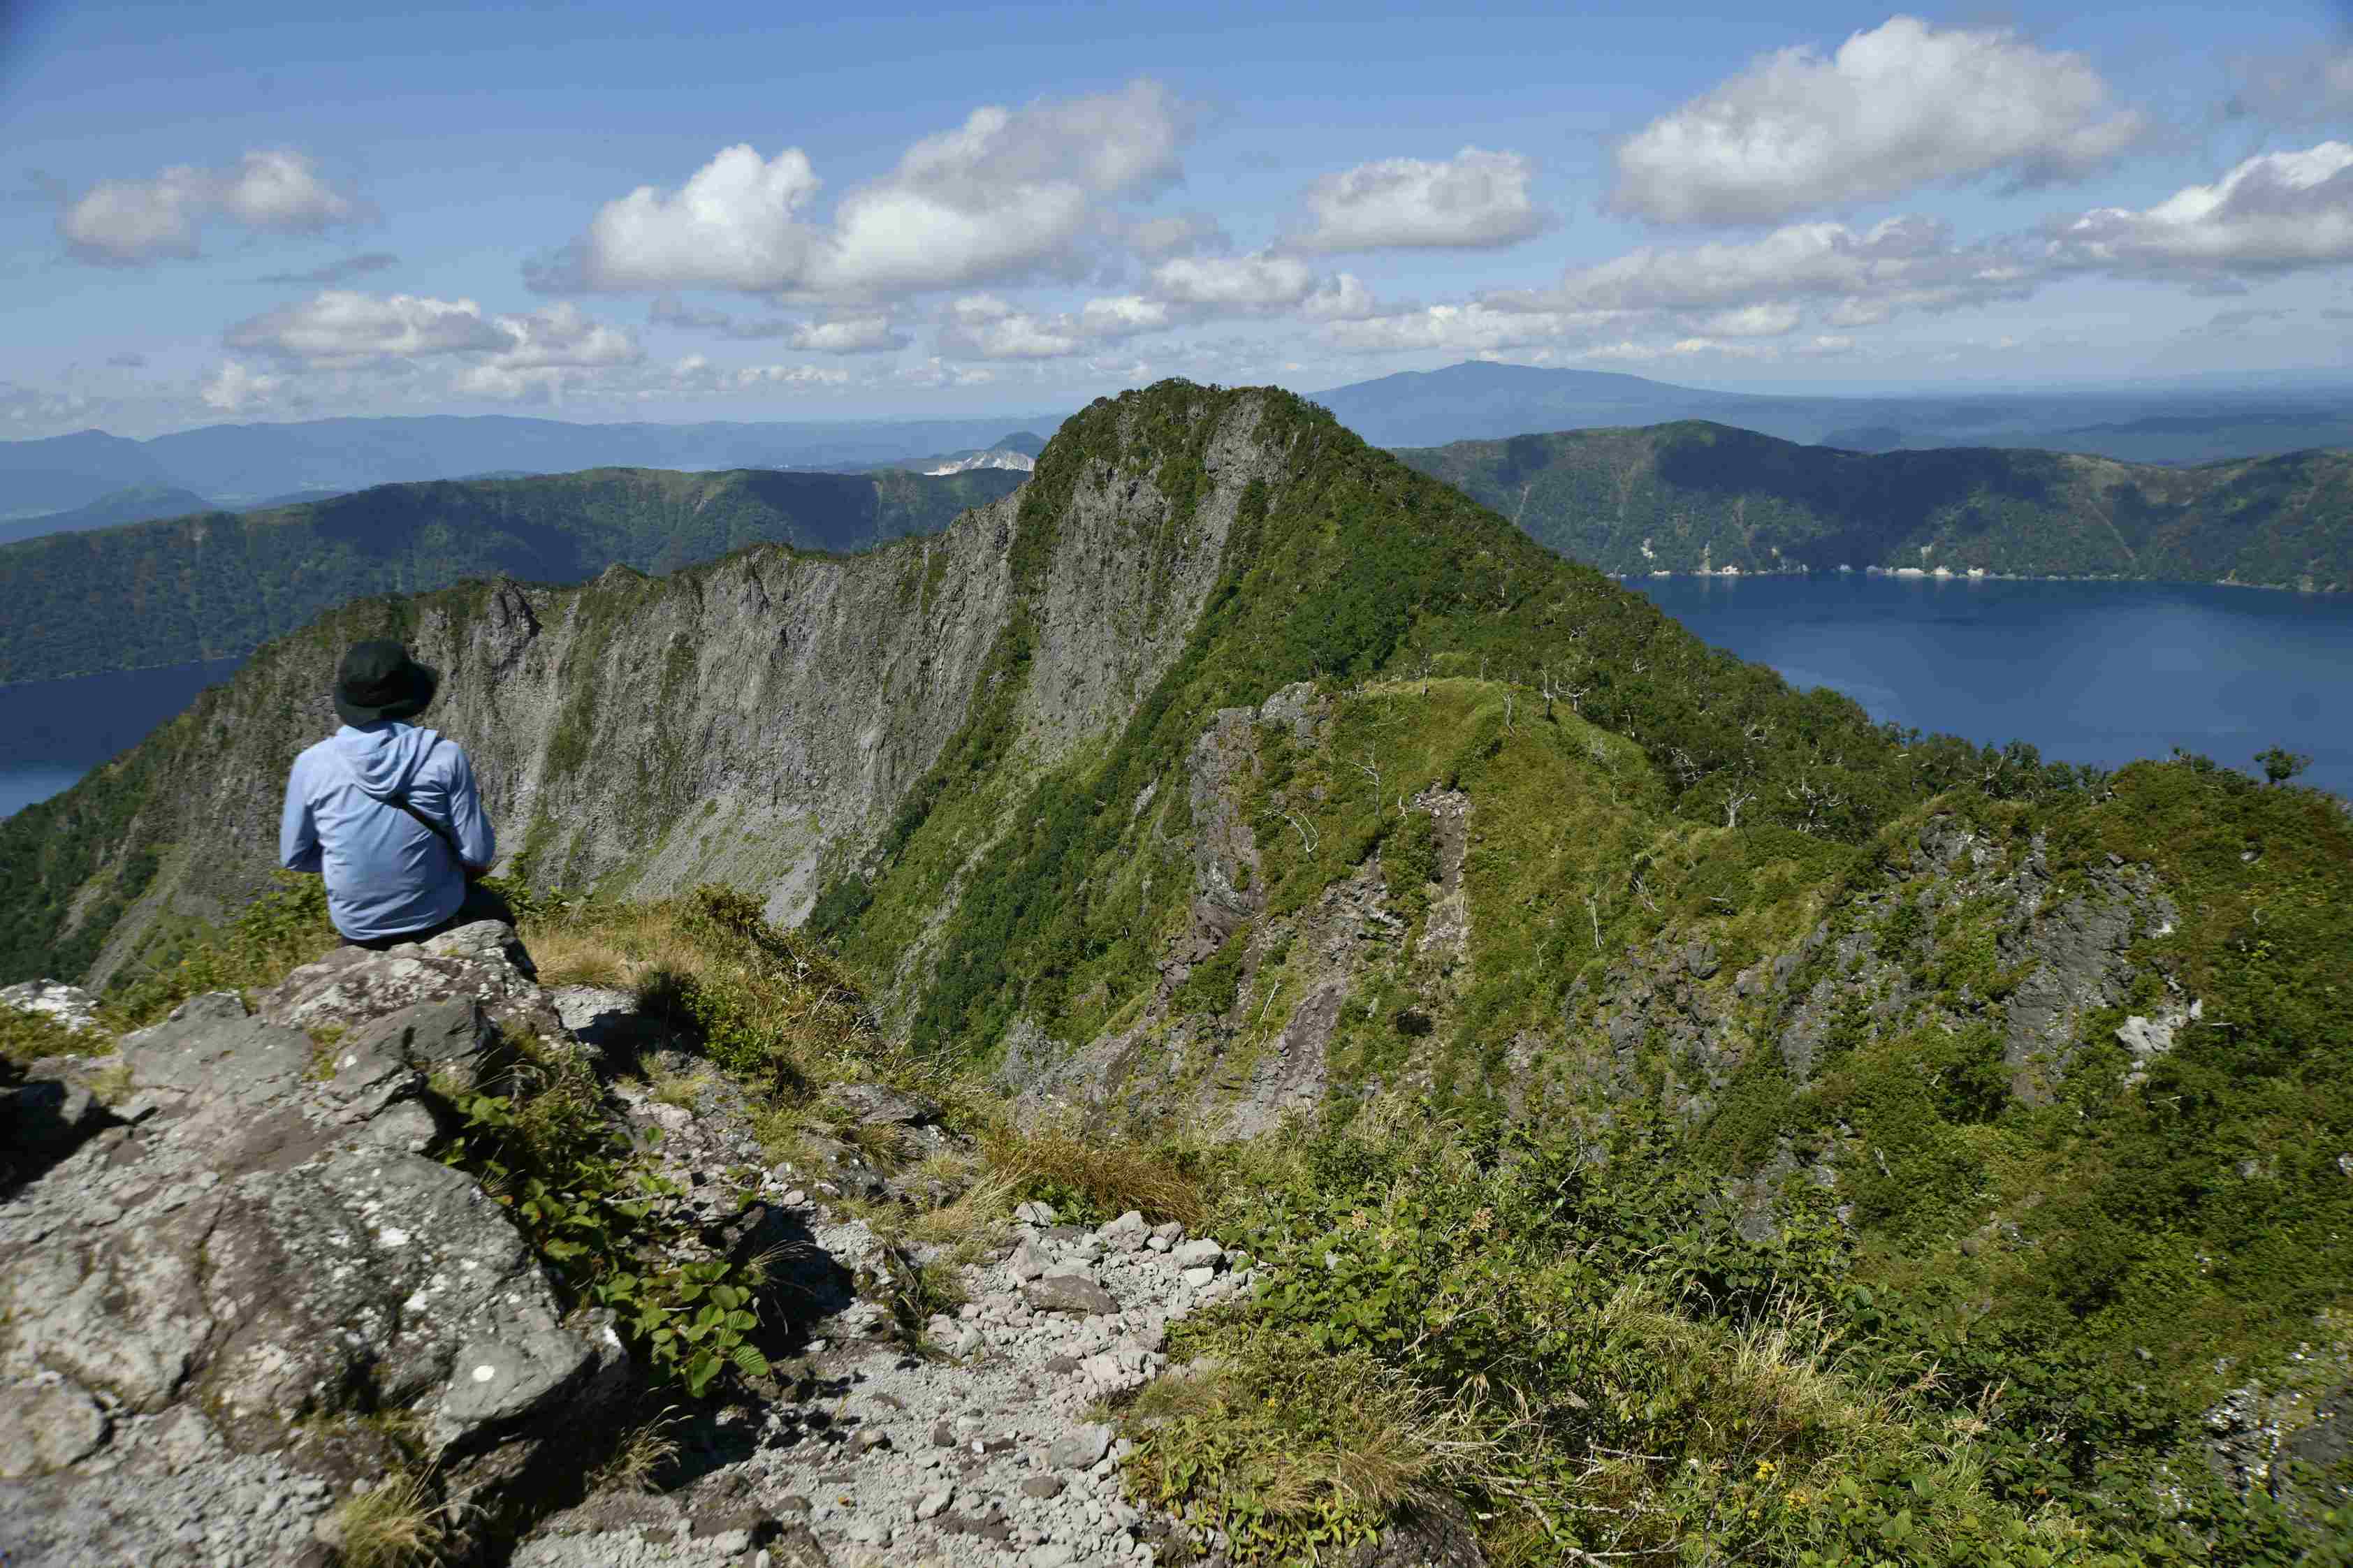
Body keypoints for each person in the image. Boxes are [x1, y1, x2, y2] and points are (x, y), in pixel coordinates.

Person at [281, 639, 507, 948]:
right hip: (436, 915)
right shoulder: (444, 757)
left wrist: (353, 856)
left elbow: (294, 856)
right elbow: (477, 854)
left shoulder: (310, 765)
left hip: (358, 928)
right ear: (409, 697)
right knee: (498, 915)